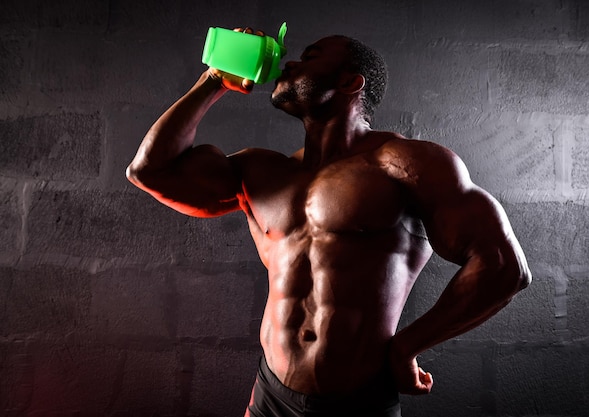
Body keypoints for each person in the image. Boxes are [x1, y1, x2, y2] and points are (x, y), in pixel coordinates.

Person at [126, 28, 531, 417]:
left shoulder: (406, 164)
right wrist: (214, 79)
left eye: (310, 58)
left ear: (352, 82)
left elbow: (503, 266)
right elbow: (150, 171)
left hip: (359, 401)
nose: (289, 65)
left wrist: (405, 348)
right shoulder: (261, 170)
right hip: (270, 396)